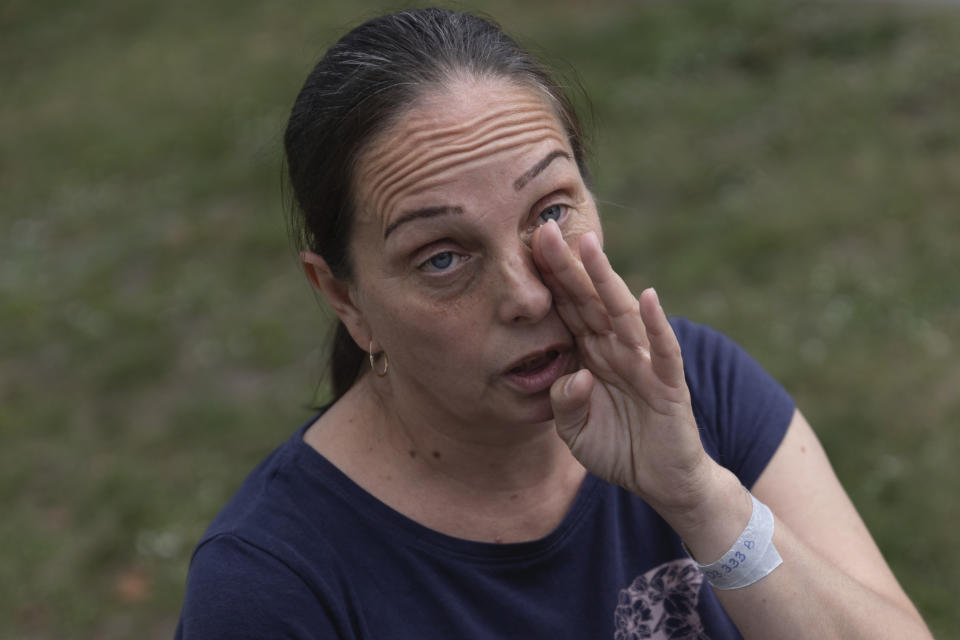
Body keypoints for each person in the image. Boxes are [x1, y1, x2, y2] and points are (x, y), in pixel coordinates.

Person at [175, 8, 931, 639]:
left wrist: (702, 498)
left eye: (551, 212)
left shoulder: (694, 386)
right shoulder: (273, 582)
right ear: (344, 298)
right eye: (443, 257)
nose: (528, 296)